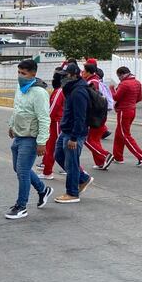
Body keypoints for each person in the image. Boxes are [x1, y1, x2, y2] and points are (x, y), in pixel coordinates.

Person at [4, 59, 52, 219]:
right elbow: (17, 108)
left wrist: (41, 142)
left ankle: (21, 206)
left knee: (23, 172)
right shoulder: (20, 88)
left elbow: (44, 118)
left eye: (23, 73)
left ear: (33, 74)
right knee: (18, 169)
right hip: (18, 135)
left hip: (31, 138)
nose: (20, 76)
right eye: (19, 72)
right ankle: (43, 190)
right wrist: (12, 125)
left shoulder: (39, 93)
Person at [54, 63, 93, 203]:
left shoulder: (78, 92)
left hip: (73, 133)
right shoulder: (70, 88)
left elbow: (80, 117)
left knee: (71, 163)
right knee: (58, 155)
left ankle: (72, 193)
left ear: (74, 75)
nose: (62, 78)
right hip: (66, 131)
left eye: (65, 75)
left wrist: (74, 137)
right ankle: (83, 178)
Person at [111, 67, 142, 166]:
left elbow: (115, 97)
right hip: (132, 109)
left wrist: (111, 89)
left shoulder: (124, 84)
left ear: (122, 74)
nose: (119, 79)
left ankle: (141, 155)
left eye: (119, 76)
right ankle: (118, 157)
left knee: (124, 134)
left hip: (124, 111)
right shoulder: (137, 82)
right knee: (119, 133)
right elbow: (139, 98)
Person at [81, 63, 114, 170]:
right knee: (94, 139)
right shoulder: (97, 81)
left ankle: (105, 155)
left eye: (84, 71)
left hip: (94, 115)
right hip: (100, 114)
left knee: (87, 139)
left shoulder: (92, 83)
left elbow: (91, 100)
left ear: (89, 72)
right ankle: (101, 162)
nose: (82, 73)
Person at [39, 69, 65, 180]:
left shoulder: (59, 91)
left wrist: (44, 121)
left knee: (54, 148)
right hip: (57, 121)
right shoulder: (62, 90)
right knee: (53, 148)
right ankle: (47, 170)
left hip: (57, 122)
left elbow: (52, 109)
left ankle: (48, 172)